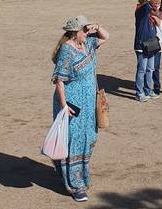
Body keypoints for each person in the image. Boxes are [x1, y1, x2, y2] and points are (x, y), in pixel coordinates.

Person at [51, 15, 109, 202]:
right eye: (84, 29)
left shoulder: (88, 44)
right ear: (75, 32)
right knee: (74, 141)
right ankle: (76, 186)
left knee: (89, 137)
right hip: (72, 104)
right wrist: (64, 106)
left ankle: (67, 168)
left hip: (89, 103)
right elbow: (59, 80)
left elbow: (106, 36)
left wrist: (96, 26)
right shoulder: (67, 50)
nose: (87, 32)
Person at [134, 0, 160, 102]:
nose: (151, 0)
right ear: (144, 0)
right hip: (141, 45)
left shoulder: (150, 12)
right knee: (142, 70)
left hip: (151, 43)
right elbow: (148, 5)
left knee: (150, 69)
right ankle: (139, 92)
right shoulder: (141, 10)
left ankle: (148, 91)